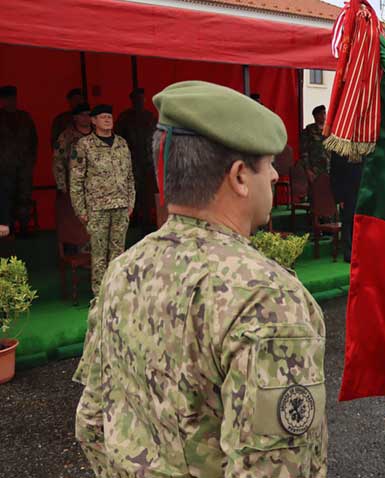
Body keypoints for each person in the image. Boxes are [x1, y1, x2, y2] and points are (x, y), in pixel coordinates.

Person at [73, 80, 327, 477]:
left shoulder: (123, 270)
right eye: (268, 164)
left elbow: (91, 422)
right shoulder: (265, 298)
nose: (277, 175)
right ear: (240, 176)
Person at [69, 104, 135, 295]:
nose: (107, 119)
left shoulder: (121, 143)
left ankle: (117, 293)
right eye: (103, 117)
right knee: (98, 255)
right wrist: (81, 210)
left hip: (121, 206)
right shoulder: (84, 145)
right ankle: (100, 296)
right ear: (93, 120)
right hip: (97, 208)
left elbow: (130, 176)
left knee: (118, 253)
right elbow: (76, 180)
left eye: (110, 116)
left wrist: (130, 202)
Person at [116, 88, 157, 227]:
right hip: (131, 160)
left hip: (147, 161)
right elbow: (118, 139)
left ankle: (146, 217)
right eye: (137, 99)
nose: (139, 102)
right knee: (132, 190)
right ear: (132, 101)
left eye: (141, 99)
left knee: (147, 191)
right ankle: (135, 216)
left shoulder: (150, 117)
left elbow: (156, 138)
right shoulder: (125, 118)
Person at [0, 85, 38, 234]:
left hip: (24, 166)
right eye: (7, 99)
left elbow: (34, 140)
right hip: (4, 167)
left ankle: (24, 226)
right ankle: (8, 228)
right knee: (5, 199)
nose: (11, 101)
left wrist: (30, 161)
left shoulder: (25, 118)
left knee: (24, 196)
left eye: (13, 98)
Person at [53, 103, 92, 194]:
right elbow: (58, 161)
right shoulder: (66, 136)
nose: (86, 117)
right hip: (75, 186)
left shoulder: (99, 133)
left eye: (88, 114)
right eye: (82, 115)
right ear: (75, 117)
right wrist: (62, 185)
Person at [300, 105, 331, 180]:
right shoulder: (308, 130)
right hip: (315, 169)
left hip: (329, 169)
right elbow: (304, 152)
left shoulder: (330, 130)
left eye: (324, 113)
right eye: (321, 114)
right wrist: (308, 170)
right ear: (315, 116)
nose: (323, 116)